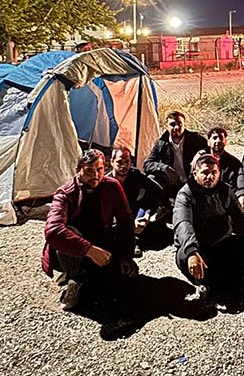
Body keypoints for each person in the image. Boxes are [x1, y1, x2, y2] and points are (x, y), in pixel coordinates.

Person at [42, 149, 138, 310]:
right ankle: (74, 278)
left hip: (102, 242)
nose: (95, 175)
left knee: (123, 280)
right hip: (75, 250)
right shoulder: (65, 193)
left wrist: (126, 256)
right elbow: (53, 230)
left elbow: (125, 221)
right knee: (69, 231)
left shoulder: (111, 186)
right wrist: (90, 250)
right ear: (77, 171)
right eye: (88, 171)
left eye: (99, 169)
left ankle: (90, 275)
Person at [174, 153, 244, 301]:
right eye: (205, 173)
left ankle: (218, 284)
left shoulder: (225, 190)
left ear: (219, 173)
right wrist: (192, 250)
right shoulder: (185, 195)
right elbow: (183, 224)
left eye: (214, 173)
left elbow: (240, 217)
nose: (209, 177)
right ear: (195, 174)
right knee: (183, 257)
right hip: (200, 248)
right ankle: (223, 282)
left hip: (221, 244)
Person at [108, 146, 165, 255]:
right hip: (115, 220)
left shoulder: (134, 175)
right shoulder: (106, 181)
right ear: (112, 162)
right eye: (119, 162)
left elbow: (156, 190)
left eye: (127, 162)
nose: (124, 166)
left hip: (134, 215)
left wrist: (147, 213)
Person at [144, 111, 210, 199]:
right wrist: (164, 168)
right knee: (151, 178)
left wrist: (201, 153)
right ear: (166, 126)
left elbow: (210, 152)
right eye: (172, 124)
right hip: (172, 184)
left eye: (179, 124)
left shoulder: (196, 139)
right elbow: (147, 164)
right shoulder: (161, 144)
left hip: (193, 182)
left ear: (184, 124)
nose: (176, 127)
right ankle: (156, 209)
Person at [207, 127, 244, 205]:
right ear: (208, 142)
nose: (218, 141)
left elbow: (240, 186)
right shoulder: (201, 162)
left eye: (221, 138)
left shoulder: (235, 163)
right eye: (214, 138)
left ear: (225, 141)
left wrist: (241, 198)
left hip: (228, 201)